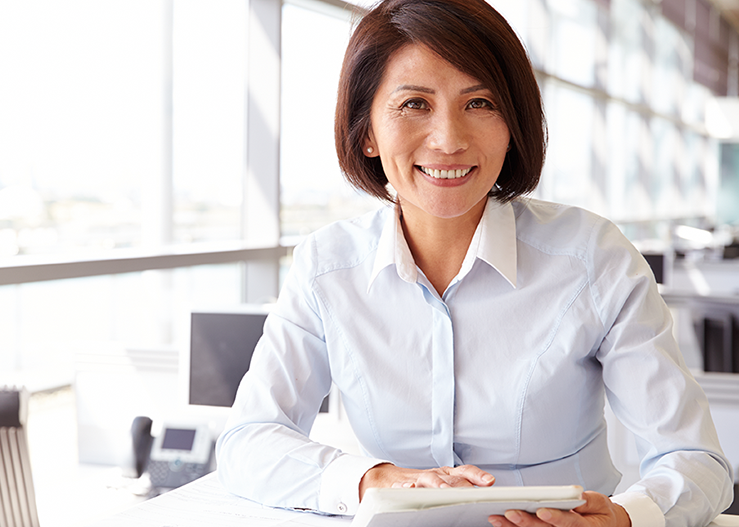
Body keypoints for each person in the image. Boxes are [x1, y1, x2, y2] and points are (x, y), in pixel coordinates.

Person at [215, 0, 734, 526]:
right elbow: (248, 440)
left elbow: (695, 460)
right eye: (415, 104)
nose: (449, 140)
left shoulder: (592, 258)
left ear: (512, 124)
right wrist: (373, 479)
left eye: (480, 102)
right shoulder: (328, 268)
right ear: (367, 131)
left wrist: (628, 518)